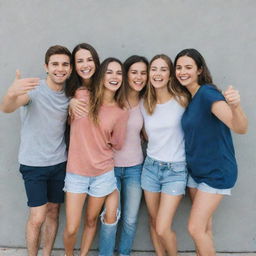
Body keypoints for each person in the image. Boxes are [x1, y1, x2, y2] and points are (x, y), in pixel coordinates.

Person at [174, 48, 248, 256]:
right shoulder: (191, 98)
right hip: (197, 173)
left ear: (199, 70)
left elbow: (240, 127)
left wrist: (235, 106)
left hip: (216, 172)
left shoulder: (207, 94)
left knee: (195, 229)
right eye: (179, 67)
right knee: (204, 229)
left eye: (188, 67)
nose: (182, 72)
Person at [0, 45, 72, 256]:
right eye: (55, 64)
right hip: (34, 165)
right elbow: (8, 107)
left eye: (65, 64)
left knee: (53, 212)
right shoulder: (33, 89)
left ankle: (46, 253)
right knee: (37, 217)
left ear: (69, 68)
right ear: (46, 67)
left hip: (59, 163)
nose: (60, 69)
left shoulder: (69, 95)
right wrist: (11, 94)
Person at [63, 57, 129, 256]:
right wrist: (70, 102)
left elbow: (117, 143)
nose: (114, 77)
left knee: (91, 221)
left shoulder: (121, 112)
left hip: (102, 173)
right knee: (72, 227)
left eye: (119, 73)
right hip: (76, 172)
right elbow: (66, 117)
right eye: (109, 72)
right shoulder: (81, 96)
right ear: (101, 75)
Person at [140, 54, 188, 256]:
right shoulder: (144, 103)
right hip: (150, 168)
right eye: (154, 69)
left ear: (170, 75)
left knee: (162, 226)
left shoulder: (182, 100)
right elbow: (144, 134)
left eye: (163, 70)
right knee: (153, 221)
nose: (158, 74)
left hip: (175, 170)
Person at [113, 55, 148, 256]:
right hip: (111, 167)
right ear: (126, 75)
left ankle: (124, 253)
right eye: (134, 72)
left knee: (130, 218)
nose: (139, 77)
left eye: (143, 73)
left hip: (136, 168)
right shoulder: (114, 99)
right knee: (111, 217)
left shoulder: (145, 102)